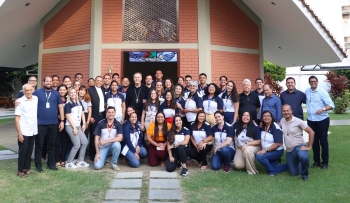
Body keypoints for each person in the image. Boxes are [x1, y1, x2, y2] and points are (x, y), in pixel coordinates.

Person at [34, 76, 64, 172]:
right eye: (47, 81)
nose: (49, 83)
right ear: (43, 82)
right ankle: (38, 165)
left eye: (50, 81)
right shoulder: (37, 93)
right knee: (39, 145)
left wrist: (62, 121)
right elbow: (28, 100)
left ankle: (51, 164)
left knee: (52, 145)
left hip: (53, 124)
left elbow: (60, 107)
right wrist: (18, 101)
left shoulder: (56, 94)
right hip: (40, 124)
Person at [305, 76, 334, 169]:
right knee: (314, 141)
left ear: (317, 82)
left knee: (323, 141)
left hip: (322, 120)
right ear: (309, 82)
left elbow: (331, 105)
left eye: (315, 81)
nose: (313, 83)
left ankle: (325, 162)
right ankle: (316, 161)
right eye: (311, 81)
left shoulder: (322, 92)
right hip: (311, 120)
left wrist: (323, 109)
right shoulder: (307, 91)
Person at [280, 104, 314, 181]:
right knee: (293, 173)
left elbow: (311, 132)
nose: (286, 112)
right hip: (289, 150)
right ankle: (298, 163)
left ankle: (305, 174)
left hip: (299, 147)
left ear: (291, 111)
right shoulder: (282, 121)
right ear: (282, 112)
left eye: (287, 110)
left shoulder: (298, 121)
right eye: (284, 111)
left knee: (304, 157)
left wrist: (309, 146)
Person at [15, 84, 38, 178]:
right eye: (26, 90)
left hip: (33, 130)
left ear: (33, 90)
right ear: (23, 91)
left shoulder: (36, 99)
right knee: (23, 151)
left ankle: (26, 169)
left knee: (29, 151)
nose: (28, 92)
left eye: (30, 90)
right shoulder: (20, 102)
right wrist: (19, 133)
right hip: (24, 131)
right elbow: (17, 119)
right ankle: (20, 170)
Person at [64, 88, 89, 168]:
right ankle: (68, 162)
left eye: (74, 92)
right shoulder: (68, 104)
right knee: (77, 145)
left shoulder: (79, 102)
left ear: (76, 93)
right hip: (70, 126)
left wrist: (84, 123)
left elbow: (82, 113)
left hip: (78, 126)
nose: (73, 94)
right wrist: (74, 128)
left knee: (85, 142)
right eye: (71, 93)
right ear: (68, 94)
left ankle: (80, 161)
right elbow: (68, 116)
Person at [255, 110, 284, 176]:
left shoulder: (276, 127)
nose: (266, 117)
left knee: (259, 156)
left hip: (276, 151)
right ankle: (276, 166)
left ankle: (272, 172)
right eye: (264, 116)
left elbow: (278, 143)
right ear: (262, 118)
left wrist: (265, 150)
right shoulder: (262, 126)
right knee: (274, 167)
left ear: (271, 117)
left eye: (268, 116)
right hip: (268, 151)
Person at [88, 76, 106, 161]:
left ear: (102, 82)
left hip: (102, 115)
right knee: (93, 135)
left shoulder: (103, 90)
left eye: (100, 81)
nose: (99, 82)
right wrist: (90, 116)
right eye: (97, 81)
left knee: (101, 135)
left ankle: (100, 153)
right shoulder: (90, 90)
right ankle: (92, 154)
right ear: (94, 82)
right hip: (94, 115)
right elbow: (88, 104)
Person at [55, 84, 70, 168]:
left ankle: (63, 159)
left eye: (64, 90)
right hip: (57, 122)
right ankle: (57, 160)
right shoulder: (56, 99)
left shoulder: (68, 100)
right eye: (60, 90)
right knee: (57, 142)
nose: (62, 91)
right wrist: (60, 118)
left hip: (67, 123)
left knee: (65, 142)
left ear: (66, 91)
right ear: (58, 91)